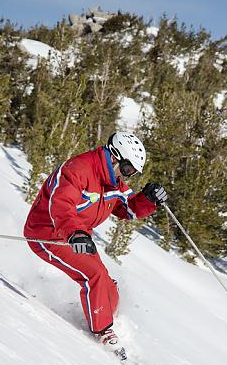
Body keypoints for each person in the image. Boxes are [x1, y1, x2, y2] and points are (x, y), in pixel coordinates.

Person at [24, 132, 167, 353]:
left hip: (77, 236)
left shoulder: (113, 182)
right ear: (114, 156)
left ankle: (105, 317)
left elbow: (126, 208)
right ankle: (103, 332)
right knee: (94, 276)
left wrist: (147, 200)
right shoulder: (78, 170)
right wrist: (75, 234)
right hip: (49, 233)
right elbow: (61, 205)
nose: (128, 177)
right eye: (128, 170)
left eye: (133, 173)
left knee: (108, 287)